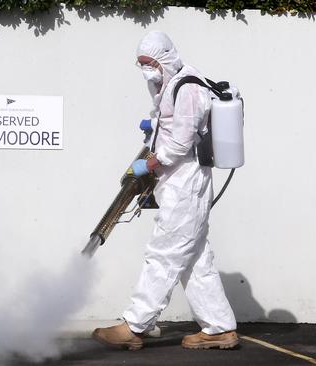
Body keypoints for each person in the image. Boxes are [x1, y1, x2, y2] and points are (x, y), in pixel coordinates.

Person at [91, 31, 238, 351]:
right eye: (141, 64)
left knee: (163, 253)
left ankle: (135, 324)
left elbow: (182, 142)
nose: (146, 70)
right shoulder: (170, 83)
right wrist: (152, 129)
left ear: (164, 58)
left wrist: (152, 162)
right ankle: (219, 328)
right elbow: (167, 122)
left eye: (149, 64)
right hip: (177, 180)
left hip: (187, 182)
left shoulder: (188, 88)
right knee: (194, 258)